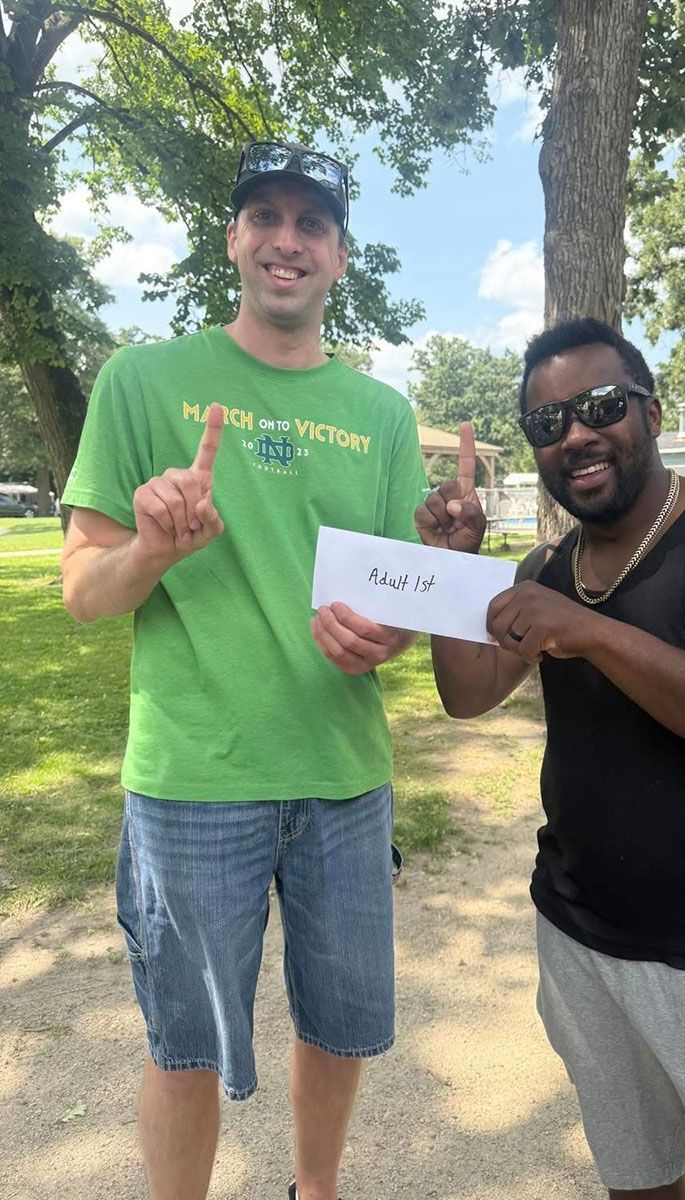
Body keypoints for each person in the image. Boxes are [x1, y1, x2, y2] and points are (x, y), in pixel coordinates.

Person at [61, 141, 427, 1200]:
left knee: (342, 1024)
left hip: (344, 777)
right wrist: (152, 551)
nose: (287, 240)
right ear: (233, 240)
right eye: (265, 217)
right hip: (191, 781)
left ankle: (316, 1190)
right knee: (185, 1043)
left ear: (340, 258)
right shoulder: (145, 380)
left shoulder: (383, 415)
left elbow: (395, 595)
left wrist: (391, 638)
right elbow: (86, 591)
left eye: (312, 224)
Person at [416, 317, 685, 1200]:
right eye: (547, 424)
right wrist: (454, 574)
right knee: (638, 1181)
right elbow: (467, 693)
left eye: (599, 406)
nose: (574, 434)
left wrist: (590, 632)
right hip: (581, 935)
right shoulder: (548, 564)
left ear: (649, 414)